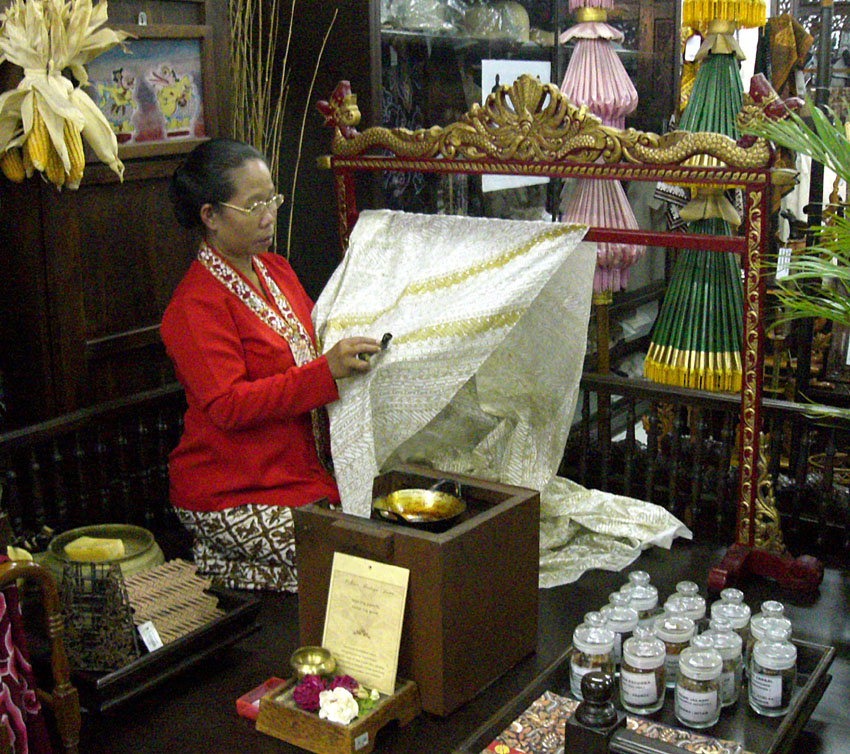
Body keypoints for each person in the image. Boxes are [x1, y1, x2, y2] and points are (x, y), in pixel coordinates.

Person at [161, 138, 380, 591]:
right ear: (210, 216)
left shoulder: (275, 269)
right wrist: (326, 372)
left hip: (297, 472)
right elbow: (228, 405)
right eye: (253, 205)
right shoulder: (194, 304)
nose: (268, 216)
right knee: (354, 559)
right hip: (231, 489)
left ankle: (222, 565)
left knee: (381, 541)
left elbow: (319, 338)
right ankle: (217, 555)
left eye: (272, 199)